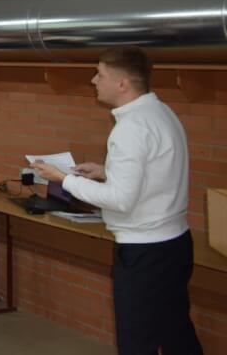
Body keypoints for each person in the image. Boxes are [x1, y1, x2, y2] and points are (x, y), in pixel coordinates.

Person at [32, 46, 202, 354]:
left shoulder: (130, 128)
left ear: (122, 84)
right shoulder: (161, 112)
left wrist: (63, 179)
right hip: (175, 244)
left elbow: (120, 200)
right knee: (176, 333)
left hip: (145, 252)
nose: (93, 80)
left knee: (137, 342)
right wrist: (105, 171)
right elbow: (155, 171)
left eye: (100, 74)